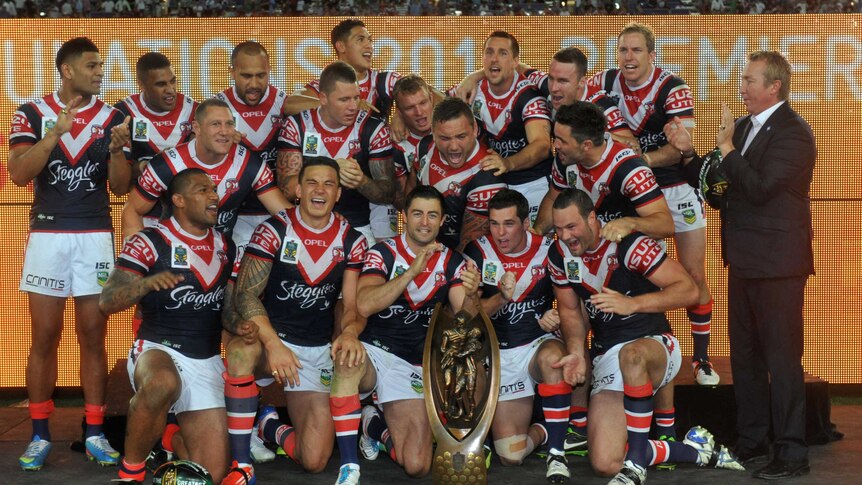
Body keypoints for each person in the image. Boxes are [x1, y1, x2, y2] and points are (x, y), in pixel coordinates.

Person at [664, 50, 816, 480]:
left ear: (775, 86)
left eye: (749, 80)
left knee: (783, 360)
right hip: (744, 262)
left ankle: (791, 452)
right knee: (747, 359)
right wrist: (693, 156)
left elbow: (762, 187)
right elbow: (724, 192)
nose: (742, 87)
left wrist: (726, 146)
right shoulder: (745, 128)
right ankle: (753, 442)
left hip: (779, 266)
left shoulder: (794, 133)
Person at [547, 188, 744, 485]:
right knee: (605, 462)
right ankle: (694, 452)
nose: (565, 236)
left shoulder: (631, 245)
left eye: (571, 227)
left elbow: (689, 290)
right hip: (607, 355)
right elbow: (570, 311)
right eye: (559, 229)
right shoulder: (559, 254)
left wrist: (633, 304)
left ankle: (636, 465)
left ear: (591, 218)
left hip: (654, 346)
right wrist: (576, 350)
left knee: (633, 355)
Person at [9, 36, 131, 471]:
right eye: (92, 65)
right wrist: (54, 134)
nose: (100, 72)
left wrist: (118, 151)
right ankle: (39, 435)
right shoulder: (31, 113)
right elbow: (19, 175)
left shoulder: (116, 117)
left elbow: (119, 186)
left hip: (95, 235)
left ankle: (95, 432)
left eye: (101, 65)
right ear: (67, 71)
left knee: (93, 337)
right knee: (44, 336)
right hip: (47, 236)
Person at [220, 157, 367, 484]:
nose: (320, 190)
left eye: (329, 184)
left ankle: (269, 426)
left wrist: (349, 333)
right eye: (312, 182)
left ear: (339, 193)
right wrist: (273, 345)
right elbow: (245, 295)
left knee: (314, 460)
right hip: (271, 339)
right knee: (241, 353)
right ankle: (241, 465)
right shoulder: (273, 230)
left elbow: (352, 306)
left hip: (315, 351)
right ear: (298, 189)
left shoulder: (352, 240)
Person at [590, 22, 718, 386]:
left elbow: (679, 148)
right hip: (630, 192)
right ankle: (656, 345)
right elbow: (558, 80)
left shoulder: (673, 87)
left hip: (675, 188)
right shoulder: (602, 82)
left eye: (636, 51)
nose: (628, 58)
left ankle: (702, 359)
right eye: (623, 50)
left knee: (693, 275)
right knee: (642, 276)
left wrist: (638, 157)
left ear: (652, 55)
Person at [328, 186, 480, 485]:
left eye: (432, 215)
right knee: (346, 359)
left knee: (417, 465)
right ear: (404, 217)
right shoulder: (382, 252)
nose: (424, 222)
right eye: (418, 214)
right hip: (376, 352)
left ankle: (373, 426)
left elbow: (468, 321)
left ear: (442, 220)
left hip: (414, 364)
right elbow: (365, 303)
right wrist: (411, 272)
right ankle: (349, 467)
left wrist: (473, 295)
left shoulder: (452, 261)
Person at [99, 168, 236, 484]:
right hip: (158, 349)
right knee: (161, 383)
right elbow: (107, 301)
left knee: (211, 475)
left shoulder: (225, 245)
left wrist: (241, 325)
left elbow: (226, 309)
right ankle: (131, 472)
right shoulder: (149, 241)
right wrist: (145, 284)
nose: (214, 196)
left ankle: (167, 438)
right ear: (179, 200)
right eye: (203, 190)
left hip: (206, 359)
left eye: (214, 189)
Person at [462, 189, 572, 483]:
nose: (500, 233)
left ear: (526, 224)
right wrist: (501, 298)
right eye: (494, 224)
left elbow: (576, 302)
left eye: (509, 223)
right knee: (511, 456)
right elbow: (468, 314)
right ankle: (549, 429)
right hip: (498, 355)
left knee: (555, 358)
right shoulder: (478, 252)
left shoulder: (550, 249)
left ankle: (557, 454)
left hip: (536, 345)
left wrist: (559, 315)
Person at [121, 98, 291, 240]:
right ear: (197, 128)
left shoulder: (251, 164)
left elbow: (284, 213)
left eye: (229, 124)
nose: (224, 132)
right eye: (215, 124)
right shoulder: (167, 164)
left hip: (221, 255)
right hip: (174, 255)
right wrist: (137, 262)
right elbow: (132, 210)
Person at [276, 60, 395, 244]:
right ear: (323, 98)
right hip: (307, 224)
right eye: (344, 100)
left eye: (356, 98)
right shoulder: (297, 125)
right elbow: (286, 189)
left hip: (358, 226)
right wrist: (330, 171)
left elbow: (388, 194)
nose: (353, 106)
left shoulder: (373, 129)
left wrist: (362, 182)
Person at [454, 30, 553, 223]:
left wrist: (507, 163)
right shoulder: (472, 89)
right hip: (493, 185)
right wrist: (398, 115)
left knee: (533, 244)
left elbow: (541, 146)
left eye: (502, 53)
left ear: (516, 61)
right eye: (489, 52)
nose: (494, 59)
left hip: (533, 185)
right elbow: (433, 101)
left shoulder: (529, 96)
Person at [215, 41, 289, 257]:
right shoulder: (217, 108)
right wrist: (220, 144)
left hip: (276, 210)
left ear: (269, 71)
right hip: (234, 217)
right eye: (246, 76)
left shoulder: (285, 103)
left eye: (261, 75)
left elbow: (324, 103)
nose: (254, 83)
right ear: (232, 71)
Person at [410, 97, 506, 250]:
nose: (454, 146)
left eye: (461, 136)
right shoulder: (424, 147)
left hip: (454, 261)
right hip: (421, 248)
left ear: (474, 129)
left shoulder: (487, 178)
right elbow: (411, 199)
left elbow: (470, 248)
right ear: (433, 133)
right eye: (445, 138)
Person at [389, 74, 434, 218]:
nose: (419, 112)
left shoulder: (453, 124)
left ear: (432, 99)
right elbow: (402, 202)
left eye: (423, 103)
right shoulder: (396, 148)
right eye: (410, 108)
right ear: (399, 112)